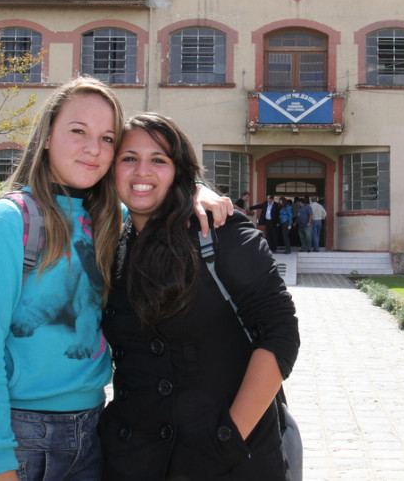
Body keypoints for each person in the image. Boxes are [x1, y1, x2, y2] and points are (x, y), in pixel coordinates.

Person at [0, 78, 232, 481]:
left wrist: (195, 190)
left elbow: (156, 185)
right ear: (47, 136)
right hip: (17, 436)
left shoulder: (112, 218)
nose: (93, 149)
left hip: (92, 431)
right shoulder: (7, 221)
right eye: (78, 131)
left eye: (107, 138)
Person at [99, 113, 300, 480]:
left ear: (179, 170)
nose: (142, 171)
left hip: (226, 459)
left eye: (158, 159)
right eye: (129, 158)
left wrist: (227, 439)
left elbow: (279, 333)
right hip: (134, 459)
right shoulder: (110, 244)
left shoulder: (220, 231)